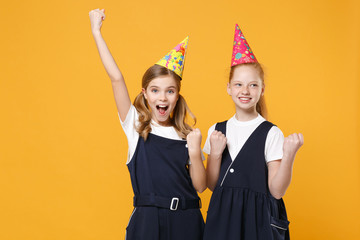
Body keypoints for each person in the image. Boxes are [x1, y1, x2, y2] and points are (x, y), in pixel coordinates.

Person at [89, 8, 206, 240]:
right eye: (155, 91)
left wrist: (194, 151)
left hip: (187, 221)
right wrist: (96, 32)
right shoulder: (136, 125)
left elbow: (201, 186)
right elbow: (116, 78)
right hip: (148, 221)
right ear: (145, 94)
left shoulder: (187, 135)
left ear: (177, 96)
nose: (162, 98)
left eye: (169, 91)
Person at [203, 24, 304, 240]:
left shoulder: (271, 133)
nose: (245, 91)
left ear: (262, 89)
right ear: (228, 88)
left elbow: (276, 191)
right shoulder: (216, 130)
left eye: (253, 85)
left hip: (257, 222)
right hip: (222, 219)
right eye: (238, 84)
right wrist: (216, 153)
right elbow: (211, 185)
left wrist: (289, 156)